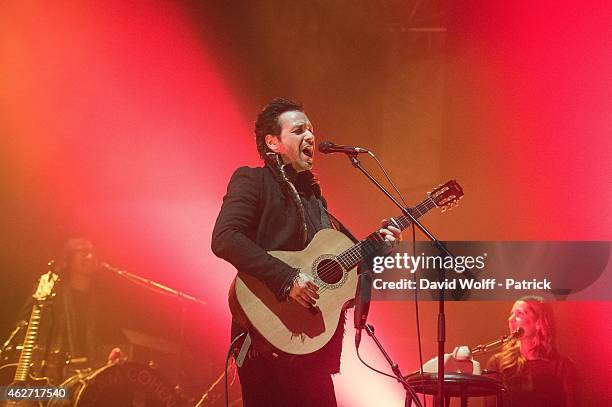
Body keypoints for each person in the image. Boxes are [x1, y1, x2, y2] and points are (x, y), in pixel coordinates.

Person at [211, 97, 401, 406]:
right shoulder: (253, 181)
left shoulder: (316, 202)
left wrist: (380, 249)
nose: (310, 136)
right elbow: (224, 238)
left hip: (313, 349)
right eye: (299, 130)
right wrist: (287, 279)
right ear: (273, 142)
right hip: (265, 343)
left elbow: (346, 271)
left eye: (311, 129)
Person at [486, 296, 580, 407]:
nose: (511, 319)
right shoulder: (497, 364)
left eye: (519, 314)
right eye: (511, 314)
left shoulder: (563, 367)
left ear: (538, 323)